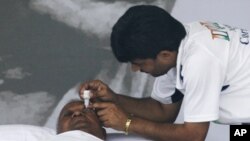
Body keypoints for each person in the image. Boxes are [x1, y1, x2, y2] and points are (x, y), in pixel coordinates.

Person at [79, 5, 250, 141]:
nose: (135, 69)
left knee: (238, 135)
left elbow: (194, 136)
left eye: (138, 63)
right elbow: (162, 111)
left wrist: (126, 123)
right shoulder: (175, 43)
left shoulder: (200, 59)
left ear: (164, 55)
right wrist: (114, 98)